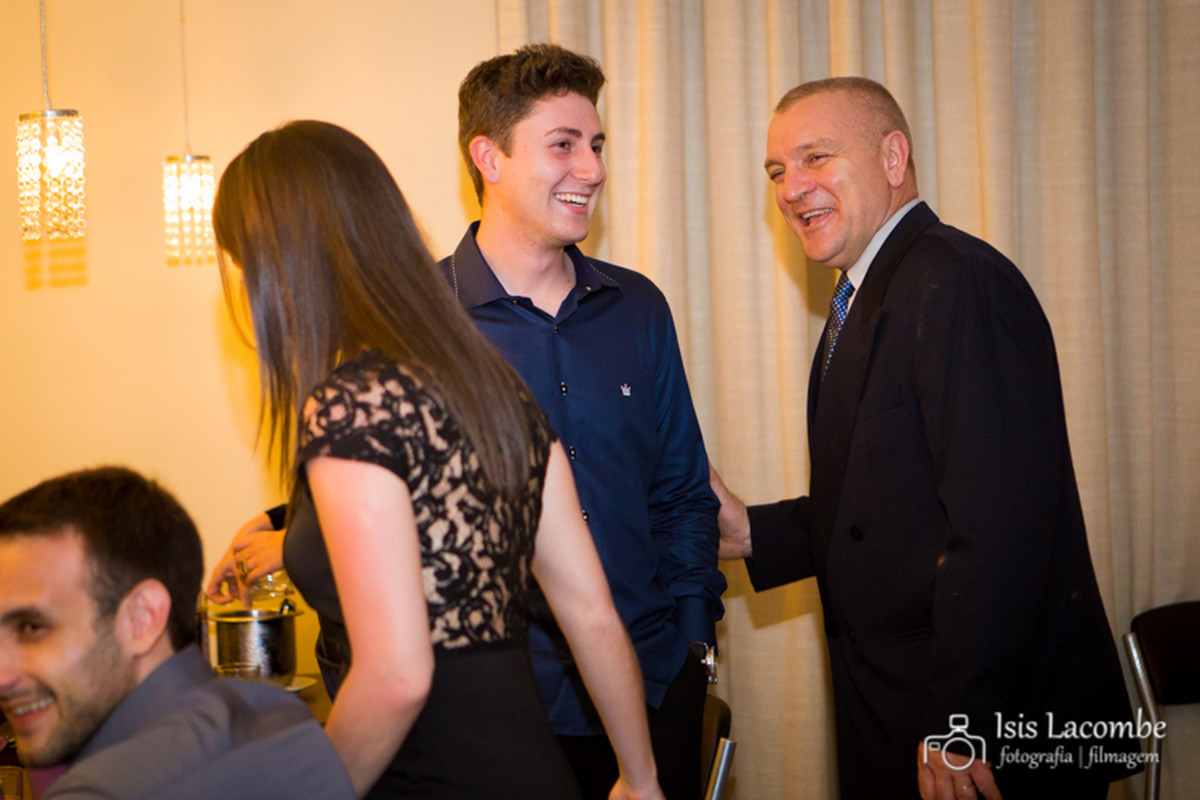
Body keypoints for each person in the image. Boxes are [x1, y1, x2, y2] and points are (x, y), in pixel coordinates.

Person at [709, 77, 1141, 800]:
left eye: (817, 157)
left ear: (893, 156)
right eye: (778, 171)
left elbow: (1000, 527)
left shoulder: (958, 282)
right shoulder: (867, 298)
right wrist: (755, 533)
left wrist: (959, 717)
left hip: (983, 732)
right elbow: (888, 506)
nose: (791, 188)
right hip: (906, 710)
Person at [211, 119, 663, 800]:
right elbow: (591, 612)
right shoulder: (491, 386)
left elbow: (396, 677)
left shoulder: (352, 405)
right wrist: (641, 779)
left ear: (278, 265)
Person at [440, 43, 724, 800]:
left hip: (655, 690)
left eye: (596, 145)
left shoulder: (638, 307)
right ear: (487, 157)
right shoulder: (424, 325)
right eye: (563, 145)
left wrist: (695, 643)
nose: (593, 169)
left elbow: (681, 492)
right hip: (500, 722)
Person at [0, 466, 354, 800]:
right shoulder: (284, 720)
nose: (3, 675)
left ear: (143, 618)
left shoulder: (103, 790)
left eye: (33, 629)